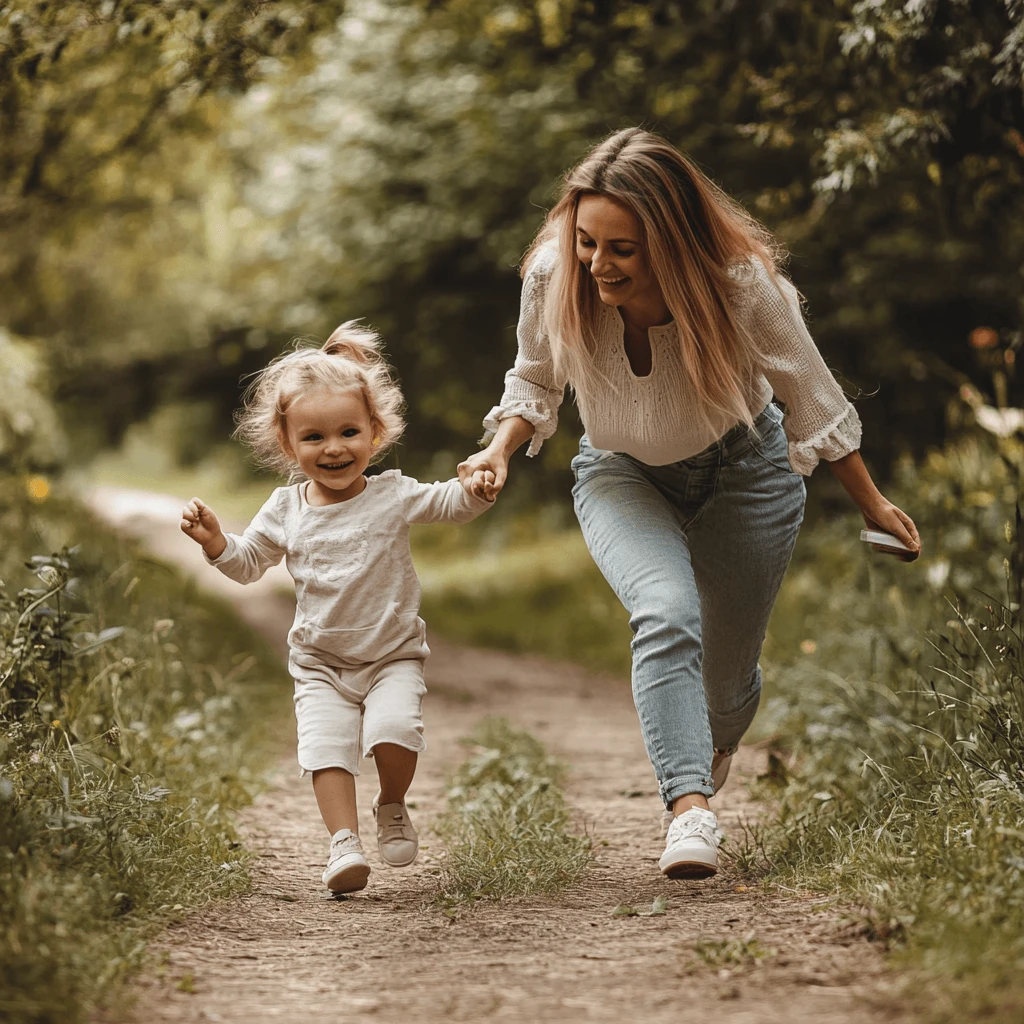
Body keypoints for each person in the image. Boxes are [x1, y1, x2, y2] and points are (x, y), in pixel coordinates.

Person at [458, 128, 920, 880]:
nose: (597, 265)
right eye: (586, 242)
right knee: (665, 612)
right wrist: (498, 452)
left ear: (671, 243)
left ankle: (713, 744)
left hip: (749, 471)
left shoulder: (737, 285)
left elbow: (810, 392)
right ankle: (689, 808)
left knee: (727, 684)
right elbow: (535, 379)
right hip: (621, 474)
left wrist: (871, 502)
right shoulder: (554, 276)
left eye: (621, 249)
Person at [181, 323, 495, 893]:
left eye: (349, 431)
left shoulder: (392, 494)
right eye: (314, 437)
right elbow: (248, 564)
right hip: (320, 663)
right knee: (326, 750)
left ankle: (391, 802)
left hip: (391, 654)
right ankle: (343, 844)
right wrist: (216, 542)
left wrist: (476, 487)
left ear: (375, 432)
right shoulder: (286, 509)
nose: (333, 448)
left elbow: (450, 503)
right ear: (288, 445)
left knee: (395, 731)